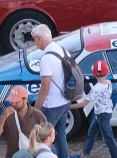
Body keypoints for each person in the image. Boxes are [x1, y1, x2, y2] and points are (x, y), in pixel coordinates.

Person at [32, 23, 75, 158]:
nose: (34, 43)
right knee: (60, 136)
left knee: (42, 139)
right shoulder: (63, 51)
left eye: (34, 39)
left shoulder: (46, 58)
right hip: (65, 101)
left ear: (39, 38)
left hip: (52, 105)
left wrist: (36, 109)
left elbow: (45, 88)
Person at [0, 86, 47, 158]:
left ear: (25, 99)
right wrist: (4, 117)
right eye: (11, 101)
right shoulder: (7, 113)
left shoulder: (37, 116)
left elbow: (47, 139)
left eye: (16, 101)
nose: (13, 104)